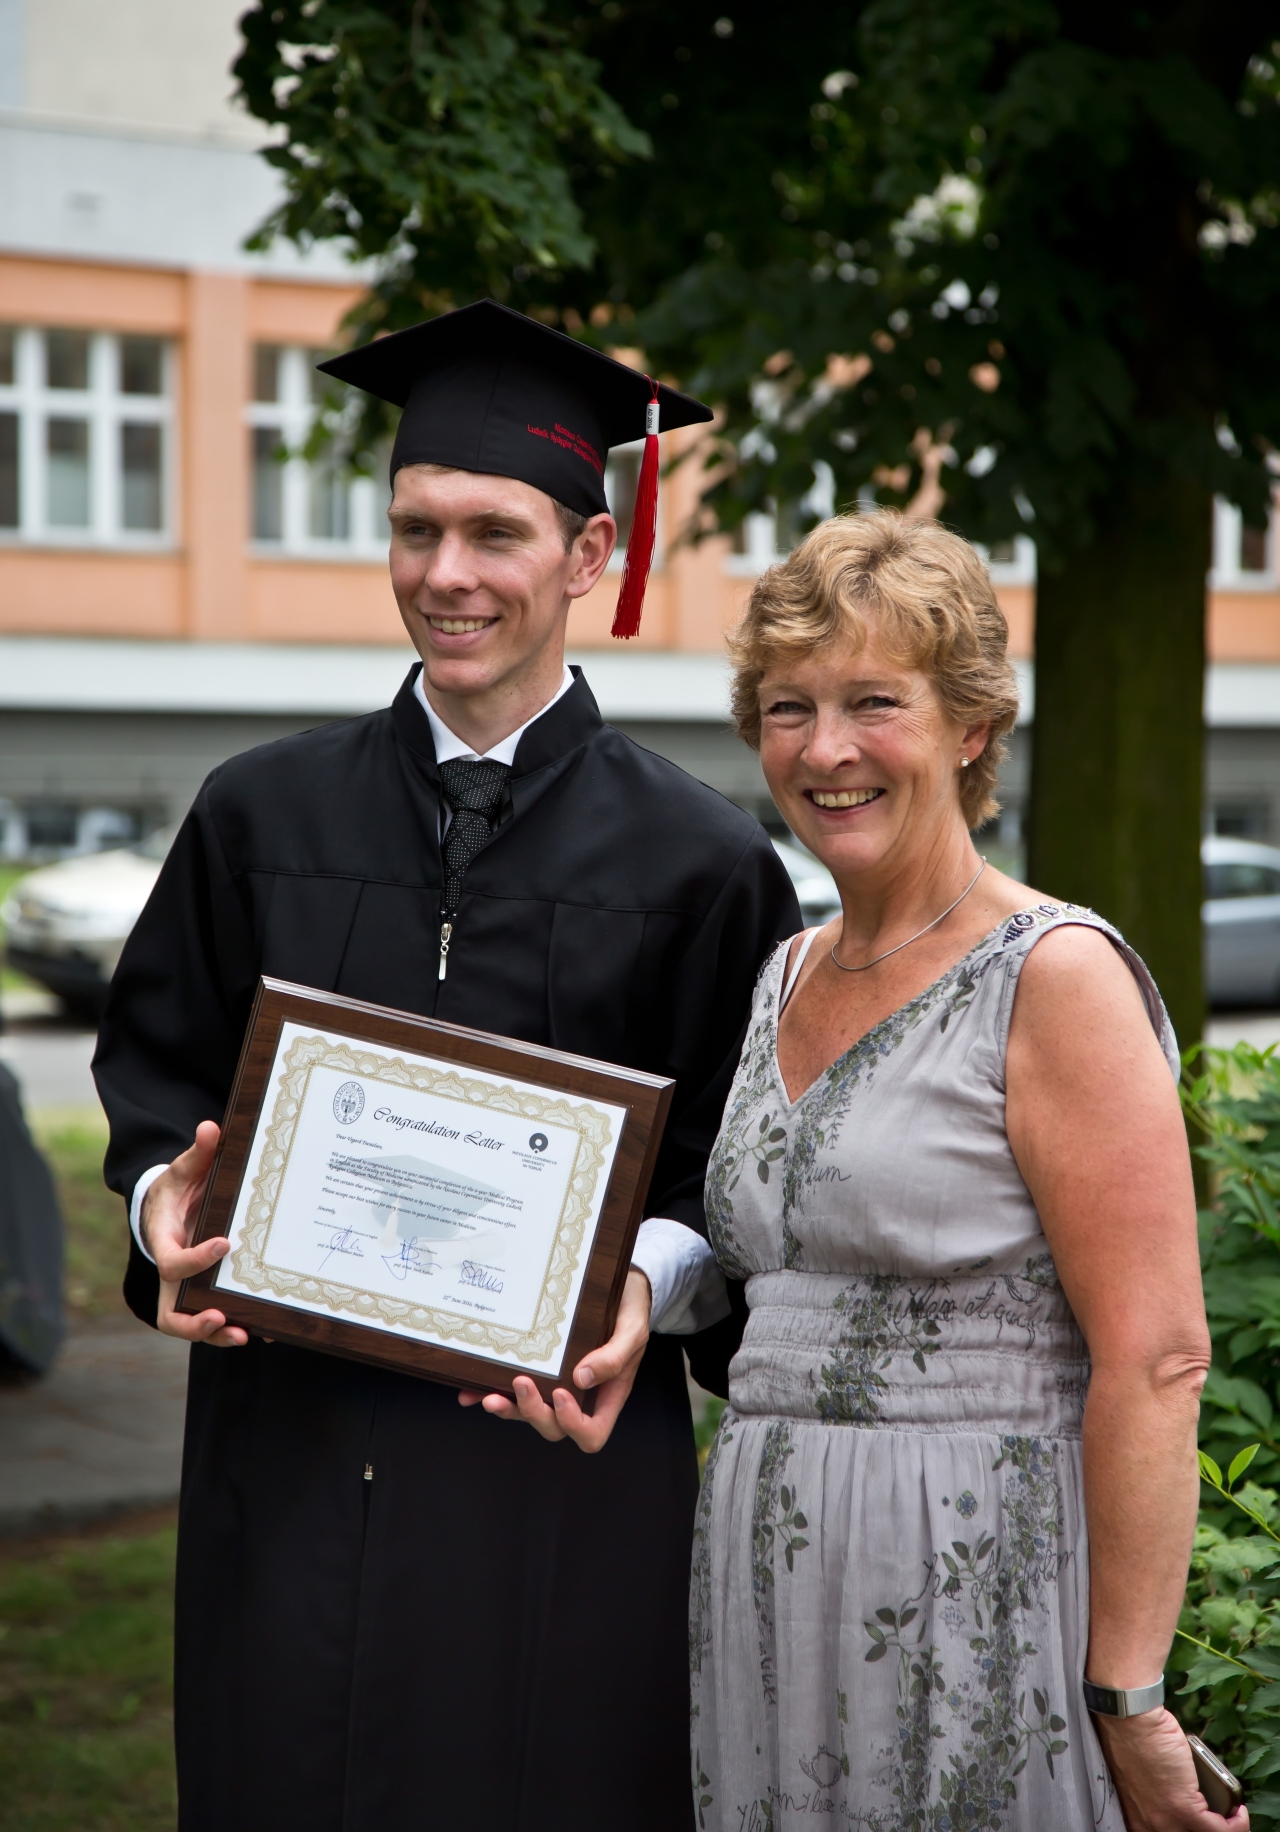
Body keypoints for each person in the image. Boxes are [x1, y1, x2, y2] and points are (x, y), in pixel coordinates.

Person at [92, 300, 801, 1832]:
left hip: (551, 1473)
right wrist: (164, 1209)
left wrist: (642, 1287)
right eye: (417, 529)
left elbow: (734, 1183)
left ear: (590, 553)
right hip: (288, 1455)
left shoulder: (701, 864)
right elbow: (157, 1077)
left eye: (493, 533)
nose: (446, 574)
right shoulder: (259, 815)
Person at [691, 510, 1243, 1832]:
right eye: (788, 708)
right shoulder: (782, 974)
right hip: (769, 1587)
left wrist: (1130, 1697)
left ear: (973, 726)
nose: (825, 749)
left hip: (973, 1575)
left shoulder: (1054, 976)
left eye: (874, 703)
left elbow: (1159, 1360)